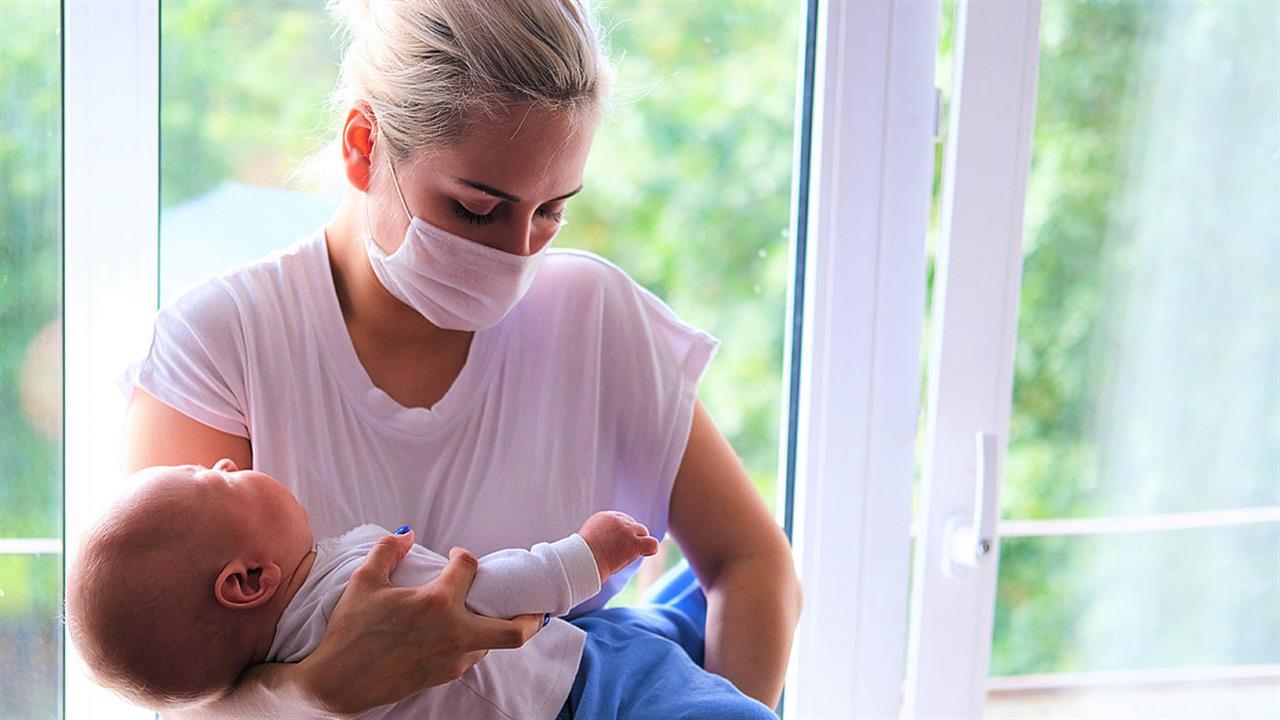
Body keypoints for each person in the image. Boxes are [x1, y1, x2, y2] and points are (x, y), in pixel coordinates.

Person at [121, 0, 802, 716]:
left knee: (649, 642)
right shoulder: (223, 344)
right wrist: (322, 689)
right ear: (363, 146)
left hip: (601, 681)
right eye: (477, 209)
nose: (518, 252)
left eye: (551, 211)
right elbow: (170, 690)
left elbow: (753, 565)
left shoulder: (595, 318)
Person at [71, 463, 775, 718]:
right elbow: (484, 592)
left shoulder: (278, 657)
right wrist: (583, 557)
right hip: (580, 691)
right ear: (249, 579)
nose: (228, 462)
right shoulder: (351, 597)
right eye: (216, 480)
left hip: (567, 653)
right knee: (683, 689)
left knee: (654, 628)